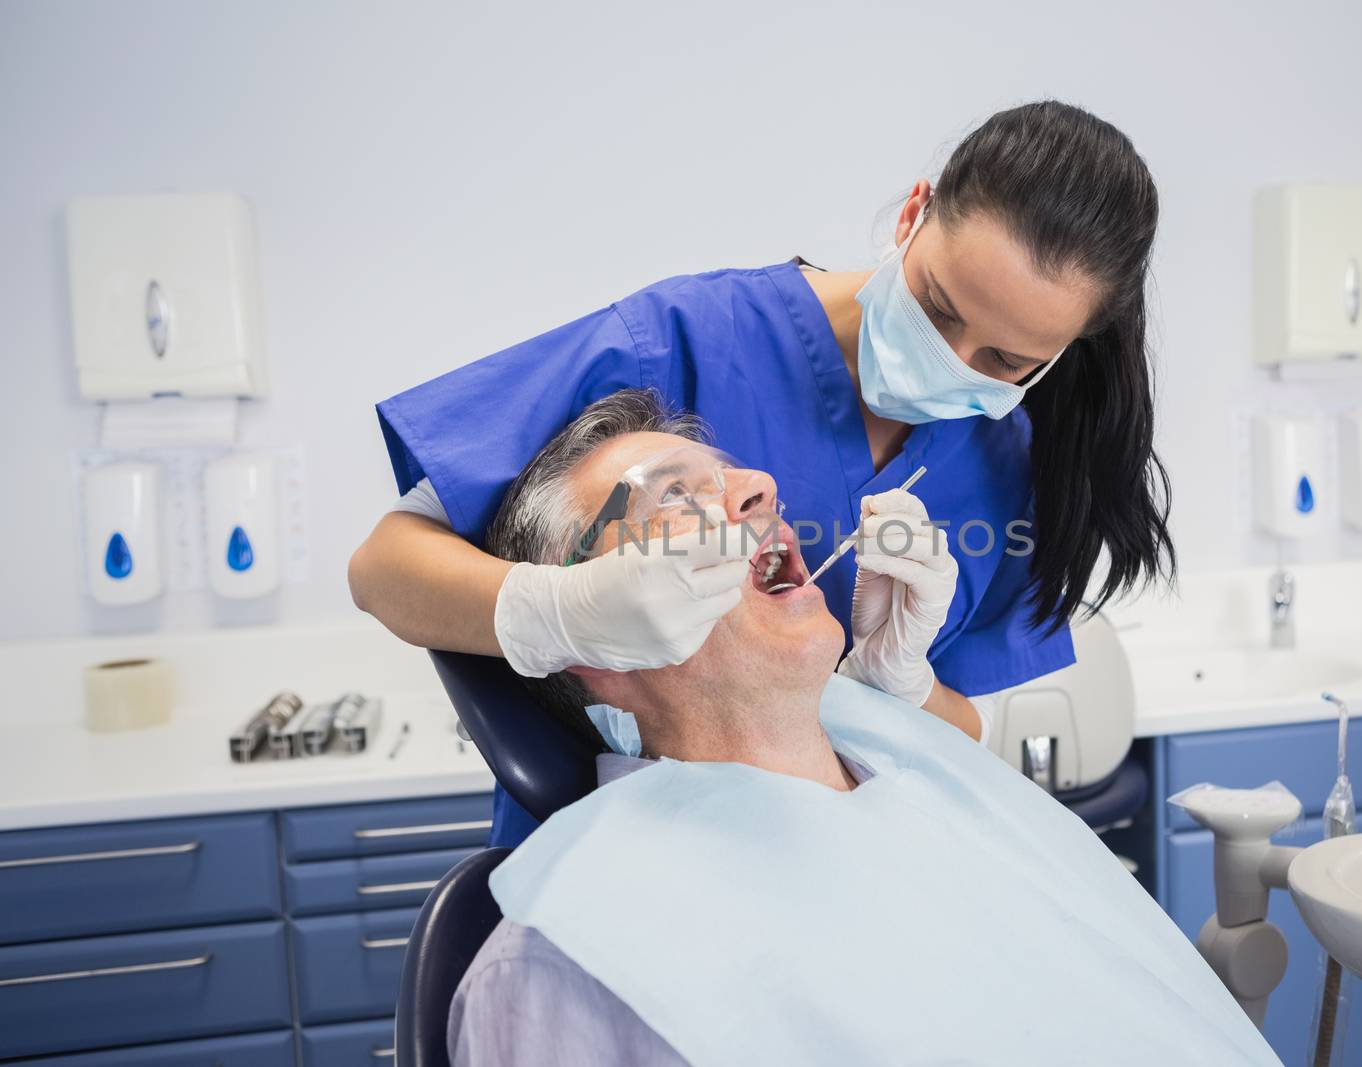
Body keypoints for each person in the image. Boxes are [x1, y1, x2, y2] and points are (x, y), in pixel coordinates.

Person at [350, 100, 1175, 848]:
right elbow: (384, 567)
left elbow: (959, 730)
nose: (952, 360)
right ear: (915, 213)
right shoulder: (682, 338)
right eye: (939, 307)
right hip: (632, 873)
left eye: (1007, 358)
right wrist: (558, 614)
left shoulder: (1019, 468)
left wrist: (901, 682)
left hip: (863, 880)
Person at [447, 391, 1272, 1067]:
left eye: (730, 472)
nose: (759, 485)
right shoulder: (575, 957)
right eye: (672, 495)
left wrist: (902, 691)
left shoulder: (912, 770)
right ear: (590, 625)